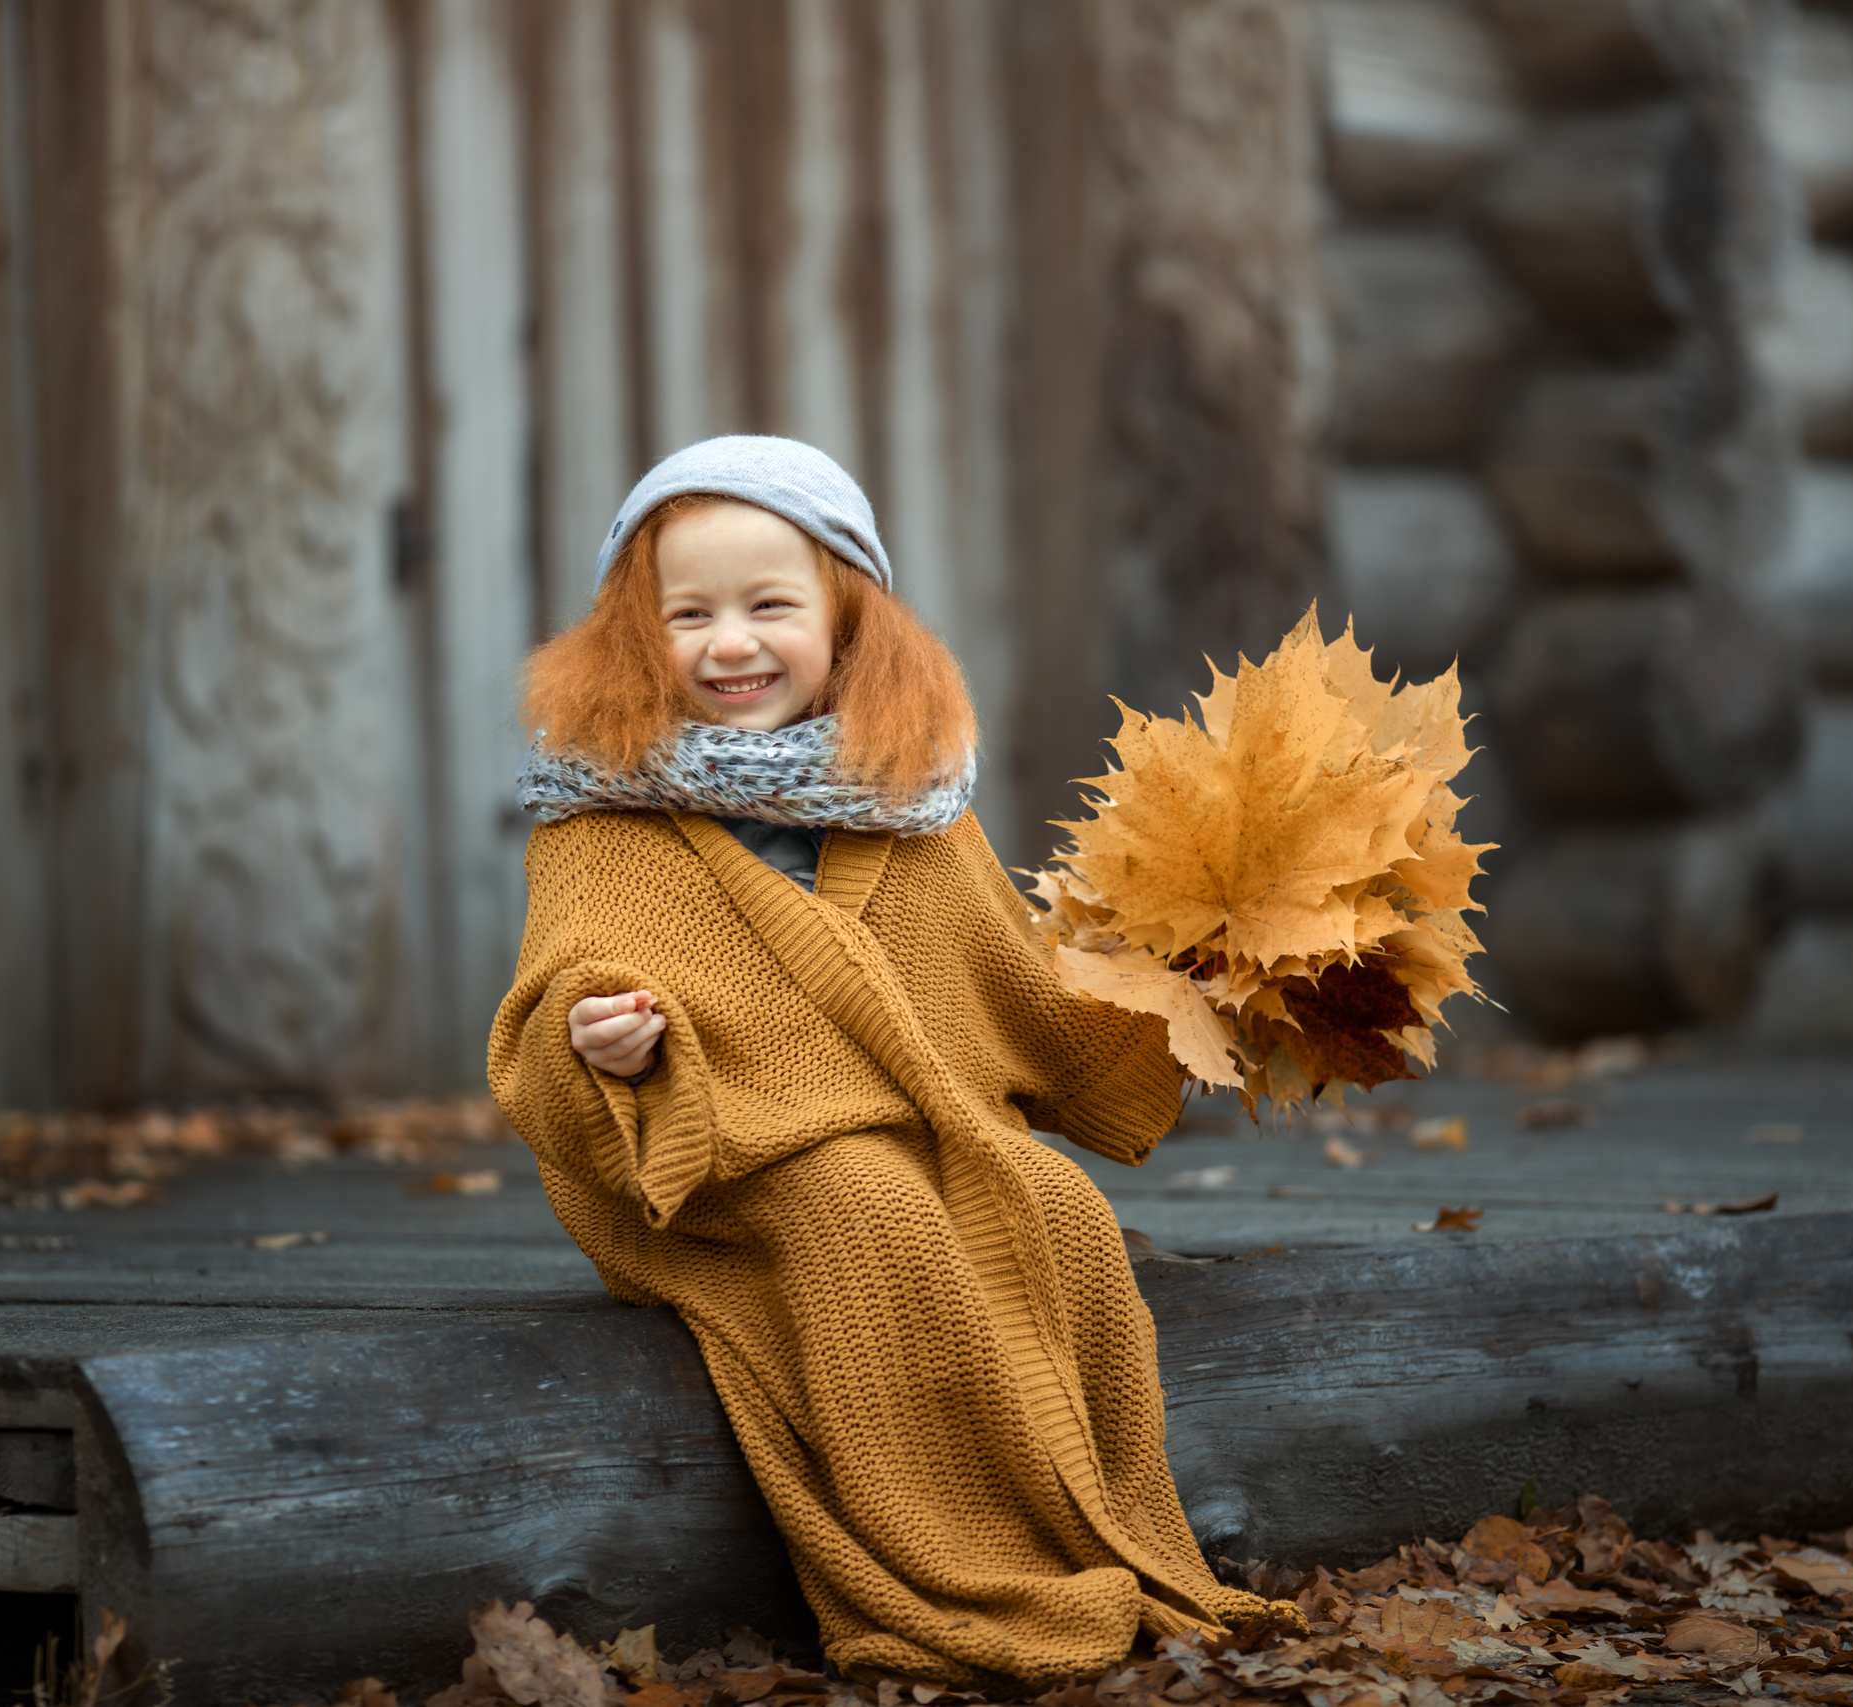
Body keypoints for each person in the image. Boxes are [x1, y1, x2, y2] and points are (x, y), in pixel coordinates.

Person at [490, 436, 1297, 1690]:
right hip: (715, 1160)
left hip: (919, 1126)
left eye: (770, 607)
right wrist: (599, 1047)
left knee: (1056, 1205)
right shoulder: (603, 818)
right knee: (869, 1218)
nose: (730, 643)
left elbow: (1012, 980)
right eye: (688, 615)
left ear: (848, 622)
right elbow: (555, 997)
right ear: (636, 638)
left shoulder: (910, 805)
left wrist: (1176, 1009)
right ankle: (954, 1576)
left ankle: (1102, 1533)